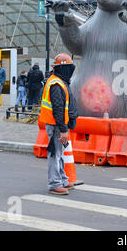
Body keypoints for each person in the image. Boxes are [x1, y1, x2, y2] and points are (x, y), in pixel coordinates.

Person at [39, 53, 78, 195]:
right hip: (56, 125)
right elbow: (58, 109)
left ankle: (62, 179)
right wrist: (63, 129)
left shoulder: (59, 81)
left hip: (58, 124)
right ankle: (55, 183)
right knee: (55, 154)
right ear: (64, 69)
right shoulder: (56, 84)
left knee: (59, 154)